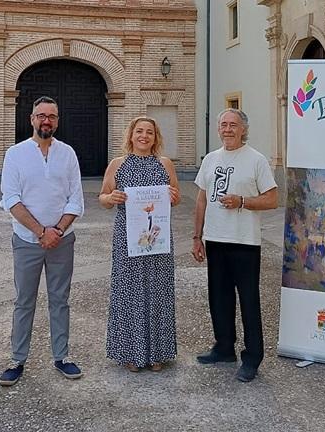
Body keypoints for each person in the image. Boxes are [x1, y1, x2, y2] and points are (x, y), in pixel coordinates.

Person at [0, 96, 84, 386]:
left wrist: (56, 231)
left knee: (60, 300)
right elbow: (11, 200)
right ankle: (17, 359)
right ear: (31, 119)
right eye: (41, 115)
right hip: (26, 240)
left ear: (57, 120)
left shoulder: (68, 153)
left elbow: (76, 199)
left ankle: (62, 357)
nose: (46, 120)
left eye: (52, 116)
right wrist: (40, 232)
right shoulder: (15, 154)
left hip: (62, 240)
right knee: (24, 301)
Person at [192, 108, 278, 382]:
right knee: (219, 298)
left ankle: (252, 358)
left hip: (244, 242)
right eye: (224, 125)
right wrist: (197, 236)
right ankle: (224, 347)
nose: (228, 129)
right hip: (216, 239)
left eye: (233, 125)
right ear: (218, 129)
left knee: (249, 301)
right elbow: (202, 199)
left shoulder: (256, 160)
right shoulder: (210, 160)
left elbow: (272, 199)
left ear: (243, 129)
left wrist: (243, 201)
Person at [99, 116, 181, 372]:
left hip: (158, 237)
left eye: (150, 132)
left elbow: (175, 199)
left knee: (159, 291)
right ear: (131, 135)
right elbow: (103, 198)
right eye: (139, 131)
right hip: (127, 238)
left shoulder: (164, 164)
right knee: (129, 292)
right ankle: (132, 354)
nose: (144, 136)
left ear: (156, 138)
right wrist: (111, 197)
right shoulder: (117, 164)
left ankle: (157, 353)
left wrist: (174, 197)